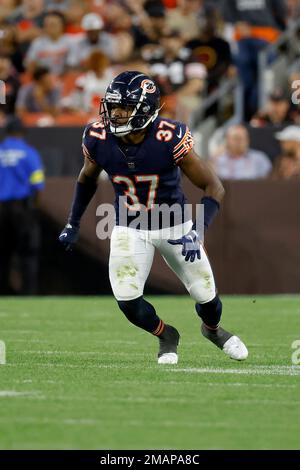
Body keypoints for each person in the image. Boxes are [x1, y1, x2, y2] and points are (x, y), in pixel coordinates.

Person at [59, 71, 248, 364]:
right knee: (127, 300)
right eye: (112, 107)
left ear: (145, 109)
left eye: (123, 108)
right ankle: (166, 335)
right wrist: (73, 222)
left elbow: (214, 187)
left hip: (175, 224)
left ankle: (212, 330)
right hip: (129, 225)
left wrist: (198, 229)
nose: (116, 114)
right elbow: (87, 178)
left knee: (207, 297)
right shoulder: (97, 137)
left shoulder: (168, 137)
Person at [0, 116, 45, 295]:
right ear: (21, 133)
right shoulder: (28, 152)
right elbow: (38, 183)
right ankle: (28, 294)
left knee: (2, 255)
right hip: (22, 208)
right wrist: (35, 206)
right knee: (28, 253)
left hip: (1, 210)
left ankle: (2, 294)